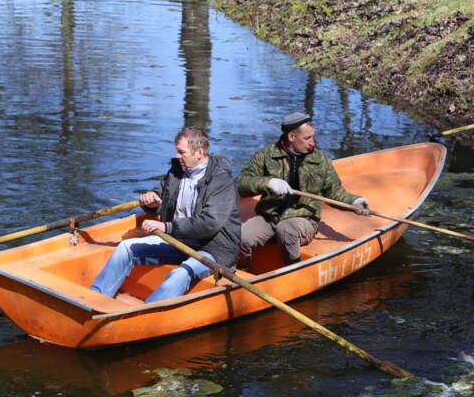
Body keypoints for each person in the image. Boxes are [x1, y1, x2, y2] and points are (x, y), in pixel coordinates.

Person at [89, 126, 241, 302]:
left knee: (181, 274)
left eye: (181, 152)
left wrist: (167, 227)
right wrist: (152, 201)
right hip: (178, 240)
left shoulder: (221, 180)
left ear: (199, 152)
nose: (177, 156)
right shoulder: (178, 170)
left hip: (213, 249)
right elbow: (161, 195)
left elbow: (209, 223)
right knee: (126, 248)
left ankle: (147, 315)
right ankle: (95, 298)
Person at [236, 112, 370, 266]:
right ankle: (243, 272)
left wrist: (354, 202)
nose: (313, 142)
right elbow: (240, 184)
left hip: (303, 220)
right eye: (307, 138)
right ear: (292, 137)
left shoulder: (320, 160)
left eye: (313, 136)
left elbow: (333, 192)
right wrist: (267, 183)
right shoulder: (265, 156)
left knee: (286, 229)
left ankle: (294, 271)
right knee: (239, 236)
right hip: (269, 218)